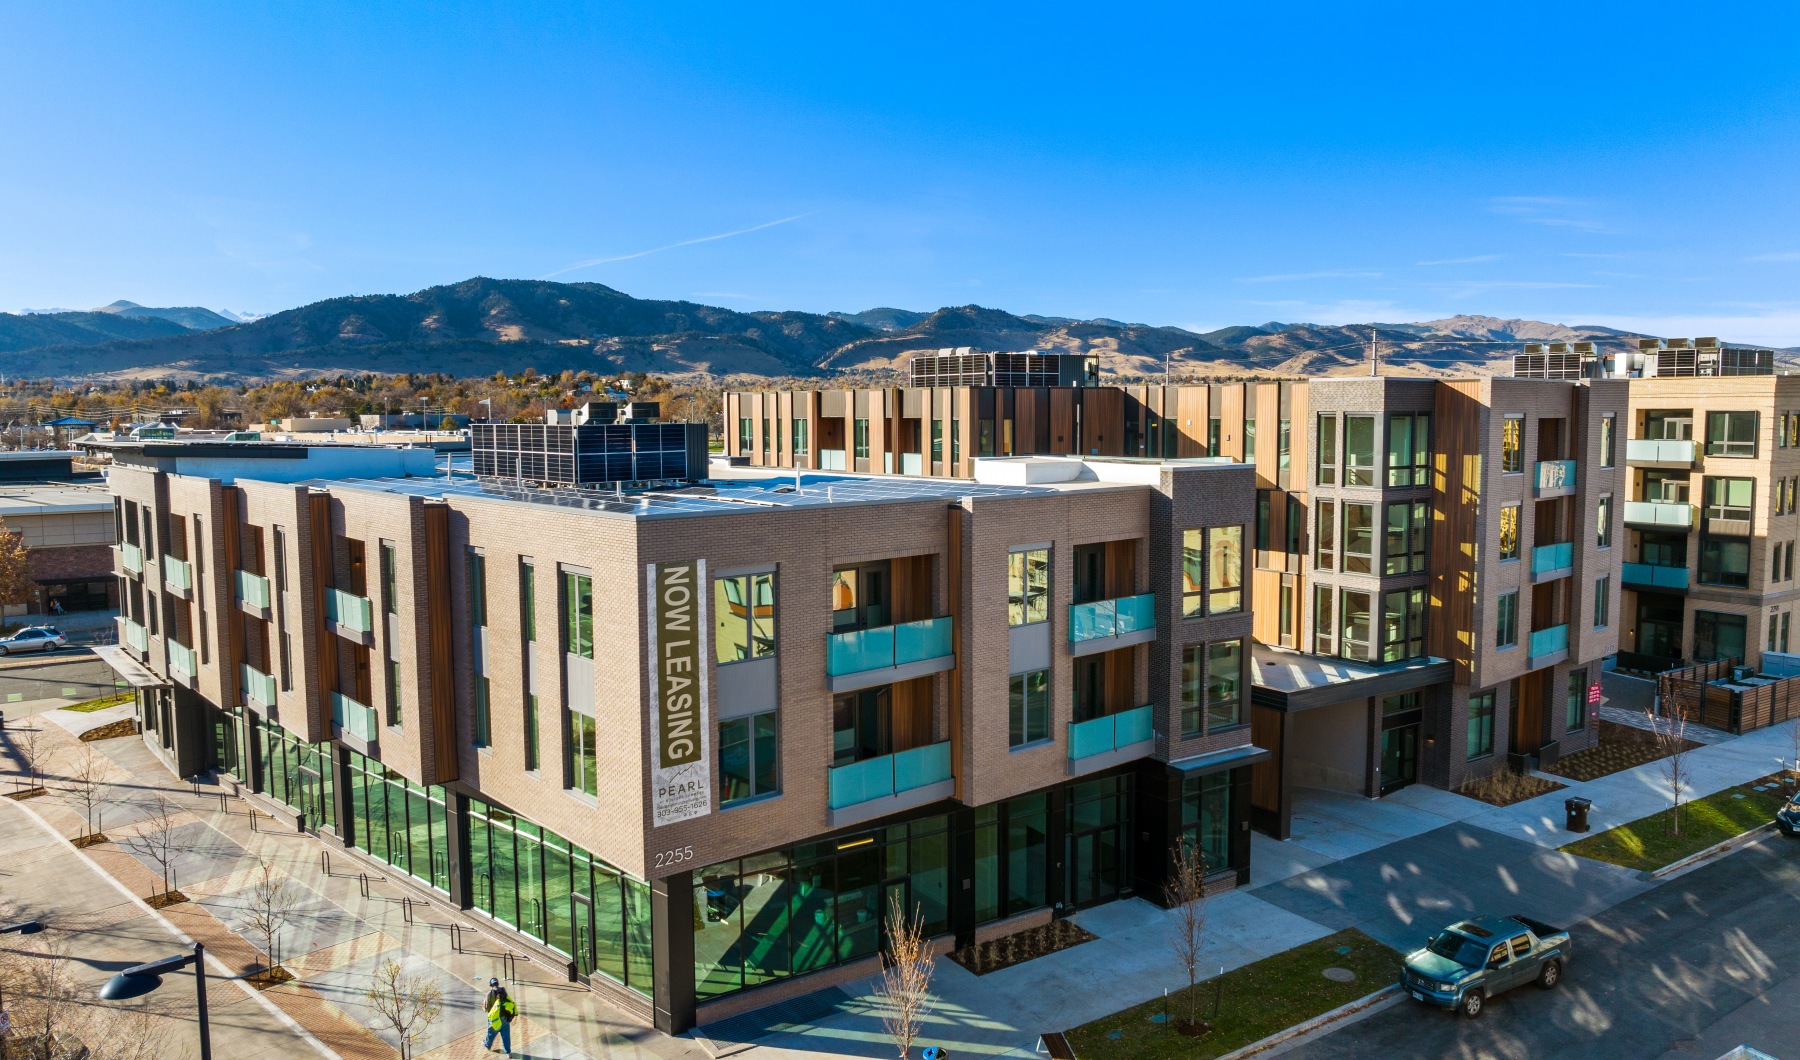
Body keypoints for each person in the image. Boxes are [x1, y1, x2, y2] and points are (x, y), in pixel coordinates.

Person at [483, 981, 517, 1056]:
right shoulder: (503, 991)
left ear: (491, 985)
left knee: (491, 1033)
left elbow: (486, 1008)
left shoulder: (489, 993)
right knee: (506, 1036)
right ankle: (508, 1052)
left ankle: (487, 1045)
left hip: (494, 1018)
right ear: (497, 984)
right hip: (504, 1017)